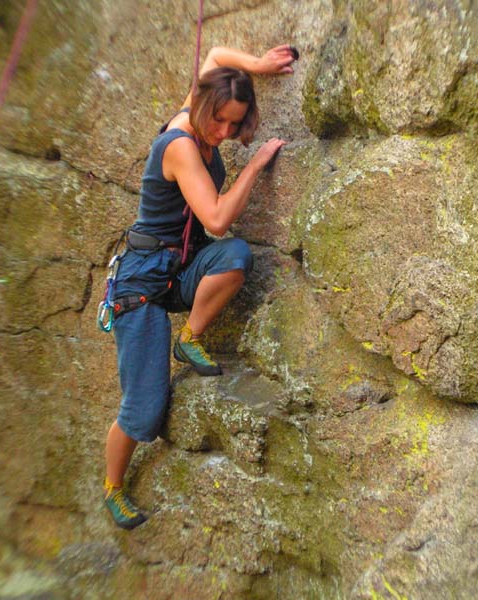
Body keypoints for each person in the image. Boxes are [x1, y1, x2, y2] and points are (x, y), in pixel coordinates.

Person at [103, 44, 297, 529]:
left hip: (178, 271)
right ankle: (112, 487)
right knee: (145, 410)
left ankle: (189, 338)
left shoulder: (205, 100)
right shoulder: (182, 143)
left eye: (236, 124)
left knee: (236, 257)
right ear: (205, 106)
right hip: (141, 283)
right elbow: (214, 218)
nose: (226, 132)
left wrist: (258, 67)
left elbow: (213, 53)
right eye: (221, 122)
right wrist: (255, 165)